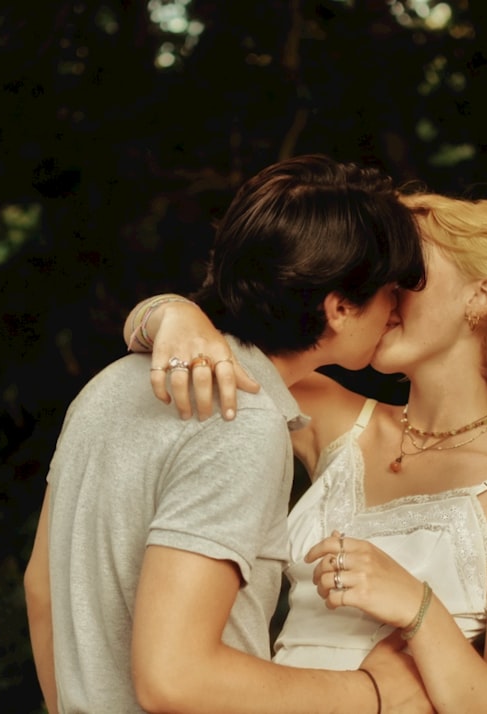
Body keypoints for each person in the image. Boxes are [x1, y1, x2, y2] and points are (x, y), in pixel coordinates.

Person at [127, 190, 487, 713]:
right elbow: (193, 348)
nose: (385, 291)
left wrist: (419, 608)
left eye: (410, 275)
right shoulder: (336, 417)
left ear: (481, 297)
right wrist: (171, 315)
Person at [23, 154, 437, 714]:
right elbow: (175, 678)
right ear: (339, 307)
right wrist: (370, 694)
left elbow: (42, 591)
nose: (396, 311)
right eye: (391, 292)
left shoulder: (111, 385)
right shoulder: (239, 421)